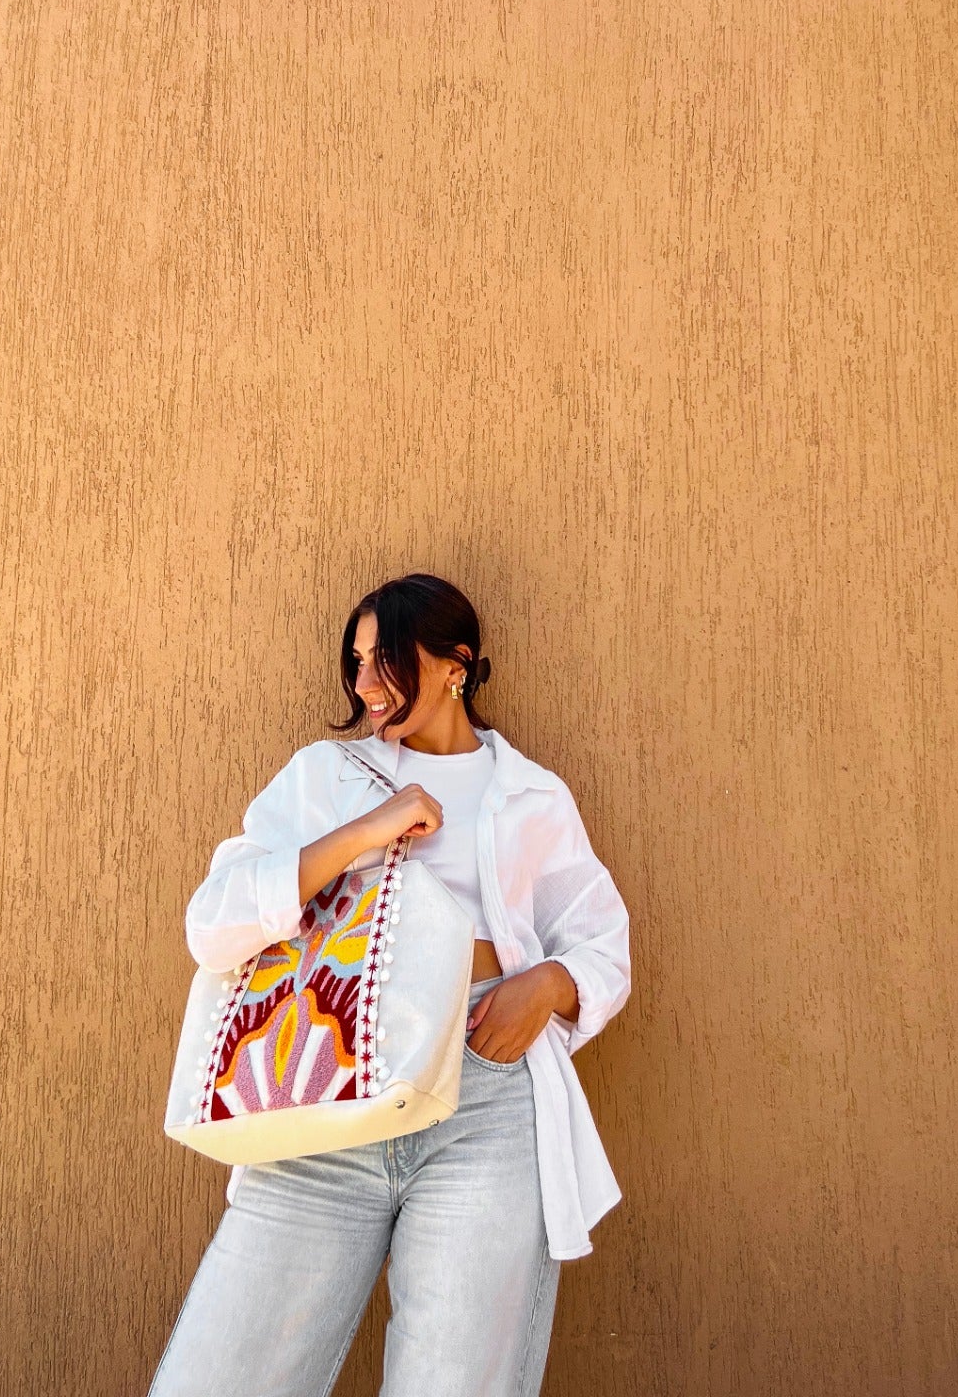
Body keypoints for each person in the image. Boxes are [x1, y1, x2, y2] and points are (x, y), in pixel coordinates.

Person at [148, 572, 632, 1397]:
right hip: (321, 1091)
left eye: (388, 661)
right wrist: (365, 831)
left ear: (456, 664)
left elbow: (601, 945)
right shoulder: (323, 776)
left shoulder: (532, 795)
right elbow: (214, 923)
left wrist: (545, 985)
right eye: (358, 662)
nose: (366, 684)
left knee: (457, 1378)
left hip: (487, 1095)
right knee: (223, 1373)